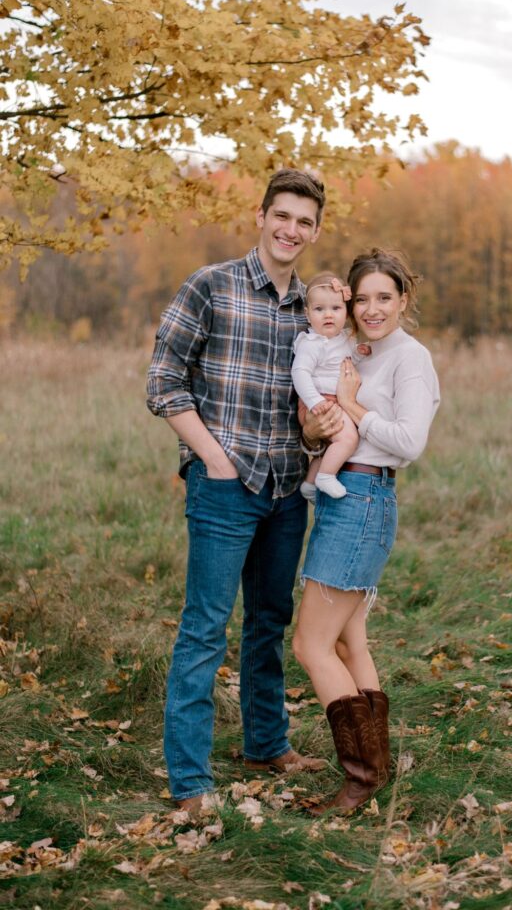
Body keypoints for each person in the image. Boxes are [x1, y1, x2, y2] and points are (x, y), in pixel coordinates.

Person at [146, 168, 342, 817]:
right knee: (205, 629)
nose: (291, 229)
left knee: (269, 622)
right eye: (282, 215)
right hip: (224, 487)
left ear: (314, 232)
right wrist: (212, 459)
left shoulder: (313, 314)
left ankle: (265, 743)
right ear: (261, 215)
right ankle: (190, 782)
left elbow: (313, 403)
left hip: (286, 488)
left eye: (304, 222)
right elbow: (163, 382)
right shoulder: (212, 285)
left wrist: (317, 436)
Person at [292, 248, 441, 814]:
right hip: (343, 495)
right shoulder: (356, 350)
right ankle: (374, 766)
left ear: (404, 299)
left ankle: (361, 776)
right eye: (363, 299)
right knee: (349, 640)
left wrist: (352, 406)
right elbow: (321, 425)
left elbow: (408, 442)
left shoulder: (412, 358)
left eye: (385, 297)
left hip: (364, 500)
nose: (372, 309)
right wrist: (319, 424)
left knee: (309, 644)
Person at [291, 272, 362, 501]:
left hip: (333, 400)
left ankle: (310, 484)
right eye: (319, 309)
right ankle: (326, 477)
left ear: (346, 311)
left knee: (328, 446)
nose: (328, 315)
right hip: (319, 401)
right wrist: (315, 401)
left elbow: (353, 358)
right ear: (308, 314)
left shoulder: (344, 339)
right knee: (348, 439)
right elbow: (300, 372)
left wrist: (363, 352)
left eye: (336, 308)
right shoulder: (312, 343)